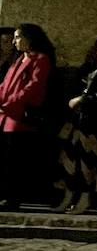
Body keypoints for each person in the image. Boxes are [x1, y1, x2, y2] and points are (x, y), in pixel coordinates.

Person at [57, 34, 97, 214]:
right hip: (76, 121)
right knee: (70, 158)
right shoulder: (87, 68)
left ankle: (89, 199)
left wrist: (82, 100)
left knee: (91, 162)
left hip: (95, 122)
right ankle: (70, 196)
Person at [0, 23, 57, 207]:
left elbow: (33, 87)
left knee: (15, 159)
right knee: (5, 157)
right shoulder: (18, 60)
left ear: (29, 38)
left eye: (18, 37)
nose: (15, 41)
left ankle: (13, 197)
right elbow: (5, 85)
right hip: (6, 114)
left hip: (19, 115)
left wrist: (9, 103)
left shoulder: (40, 59)